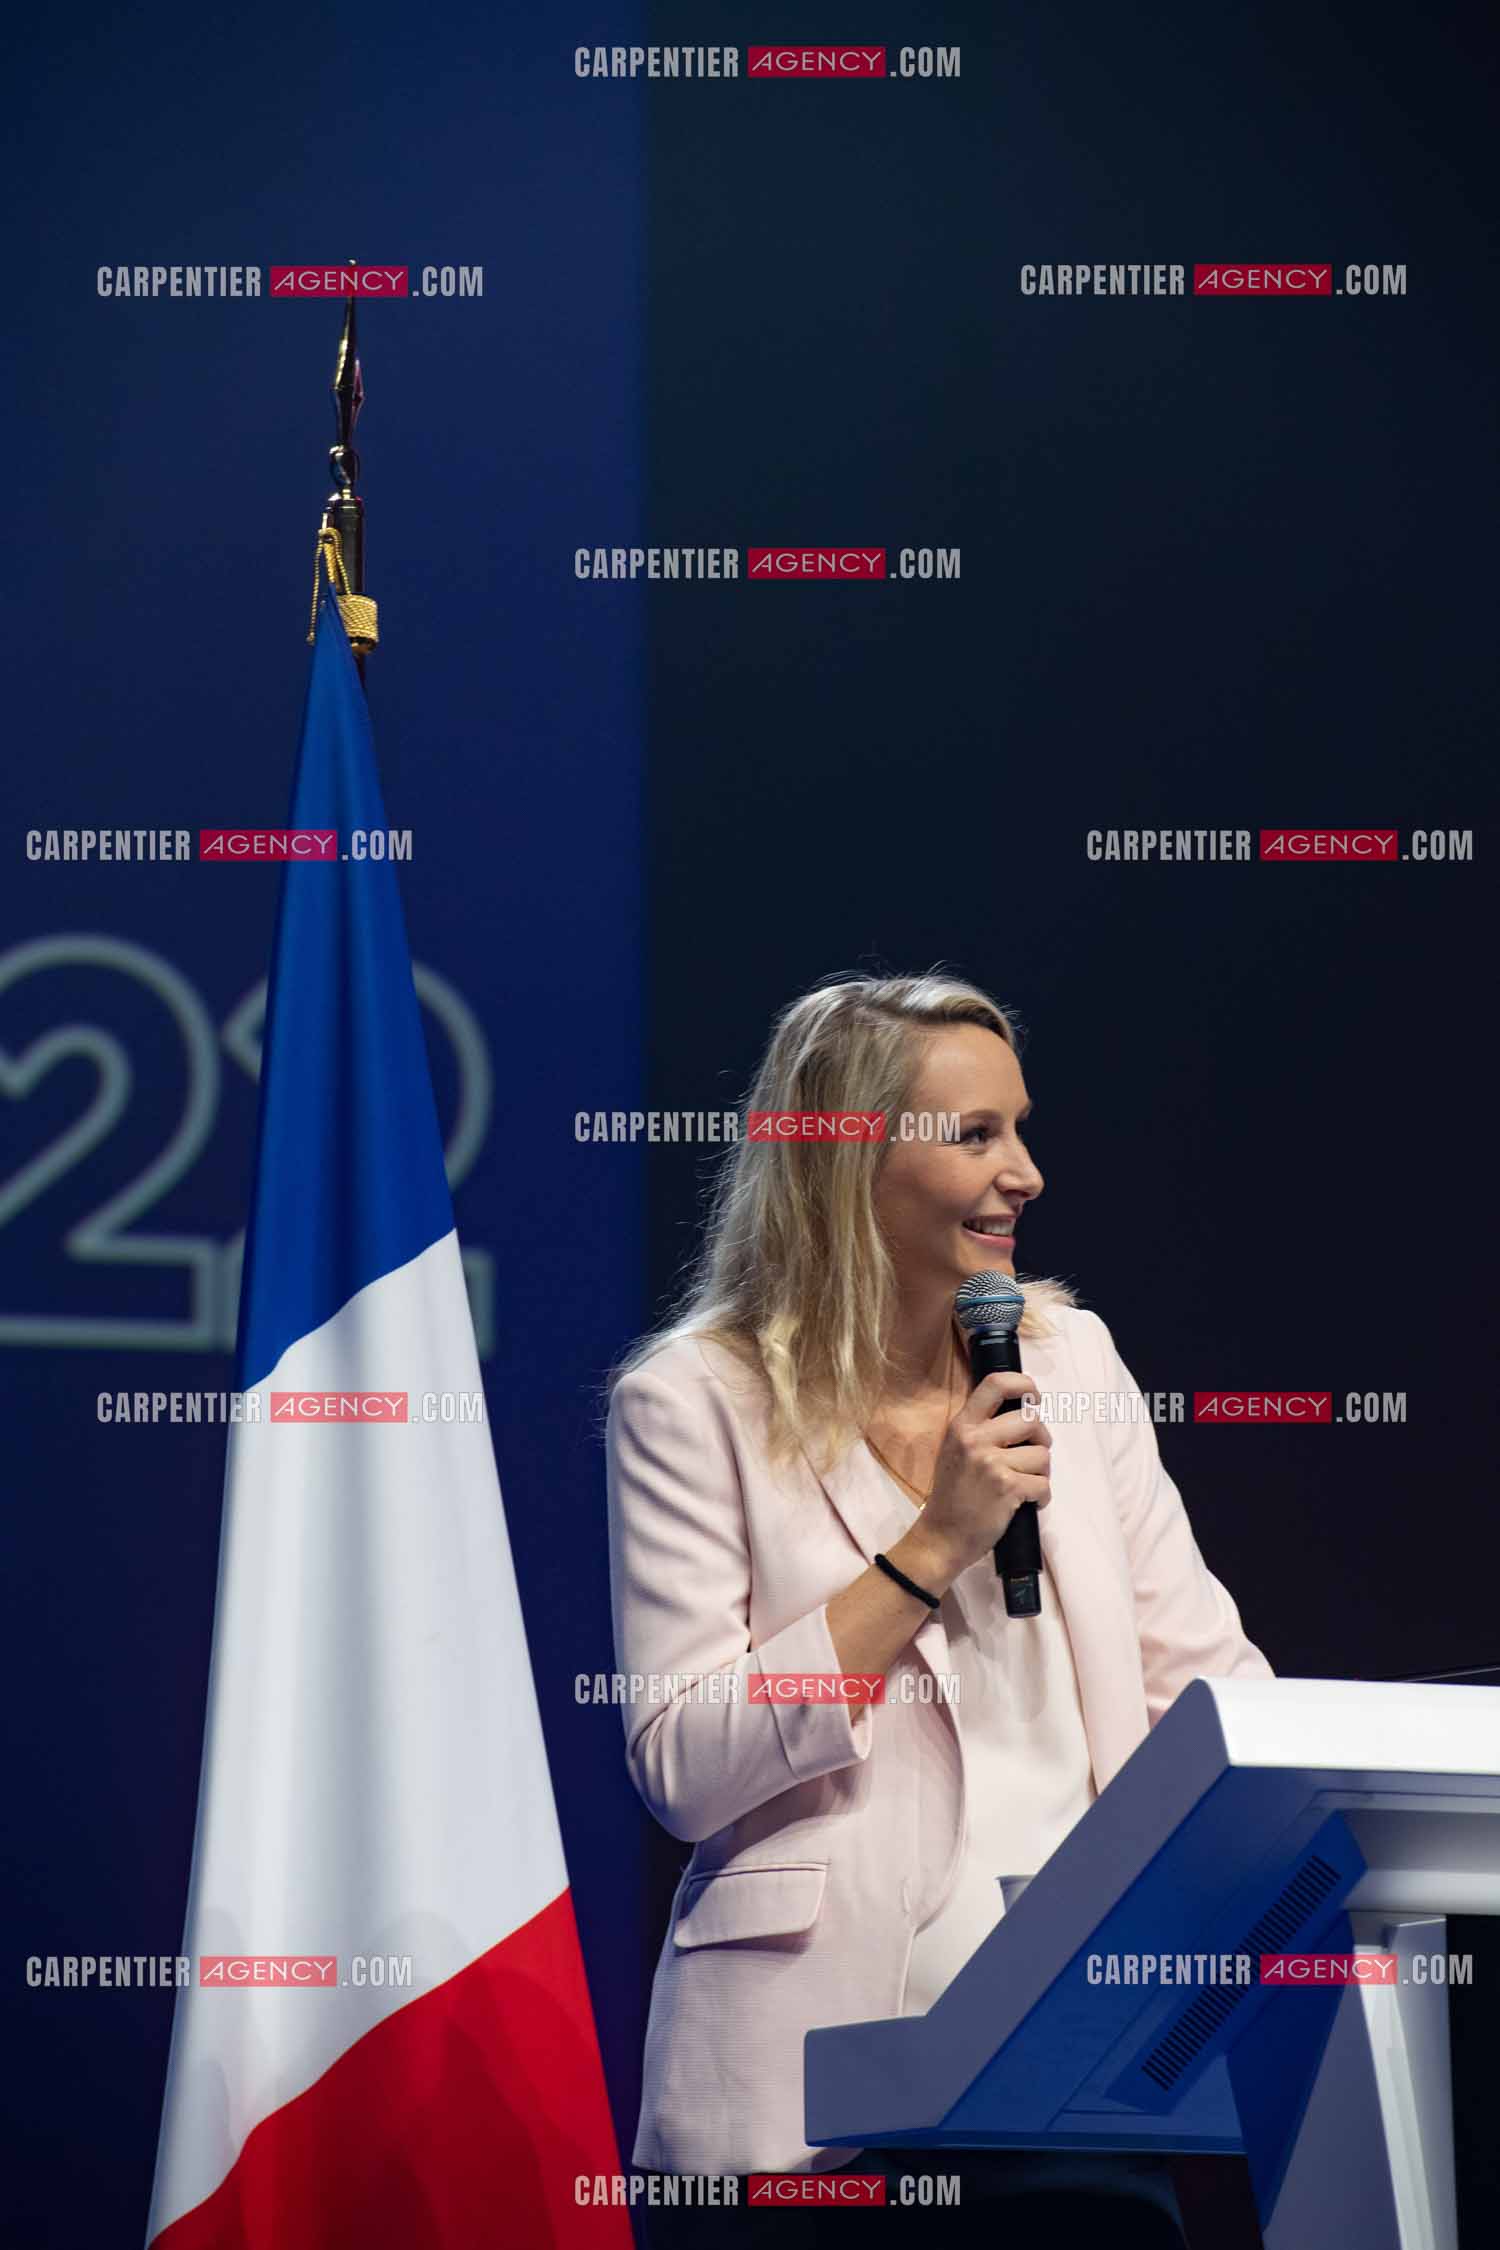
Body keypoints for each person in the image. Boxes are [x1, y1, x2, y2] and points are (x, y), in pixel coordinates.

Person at [604, 971, 1274, 2246]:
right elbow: (684, 1764)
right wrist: (934, 1544)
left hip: (1074, 2086)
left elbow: (1206, 1685)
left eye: (1021, 1128)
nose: (1024, 1173)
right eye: (975, 1136)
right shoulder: (693, 1400)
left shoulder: (1071, 1360)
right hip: (803, 2118)